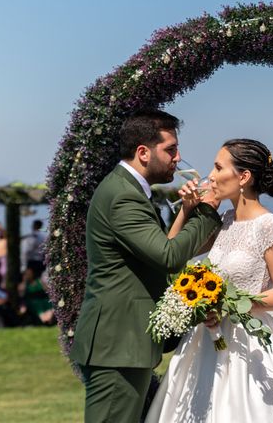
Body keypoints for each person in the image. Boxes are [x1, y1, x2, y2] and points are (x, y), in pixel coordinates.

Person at [145, 139, 273, 423]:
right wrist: (186, 209)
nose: (212, 175)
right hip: (205, 340)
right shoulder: (225, 220)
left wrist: (229, 307)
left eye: (219, 167)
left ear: (243, 177)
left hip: (247, 345)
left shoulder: (268, 226)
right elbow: (172, 252)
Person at [69, 109, 222, 423]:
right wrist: (207, 212)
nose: (178, 158)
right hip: (118, 344)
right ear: (143, 152)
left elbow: (159, 251)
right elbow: (167, 255)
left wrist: (189, 214)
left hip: (124, 344)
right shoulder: (123, 196)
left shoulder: (130, 191)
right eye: (170, 150)